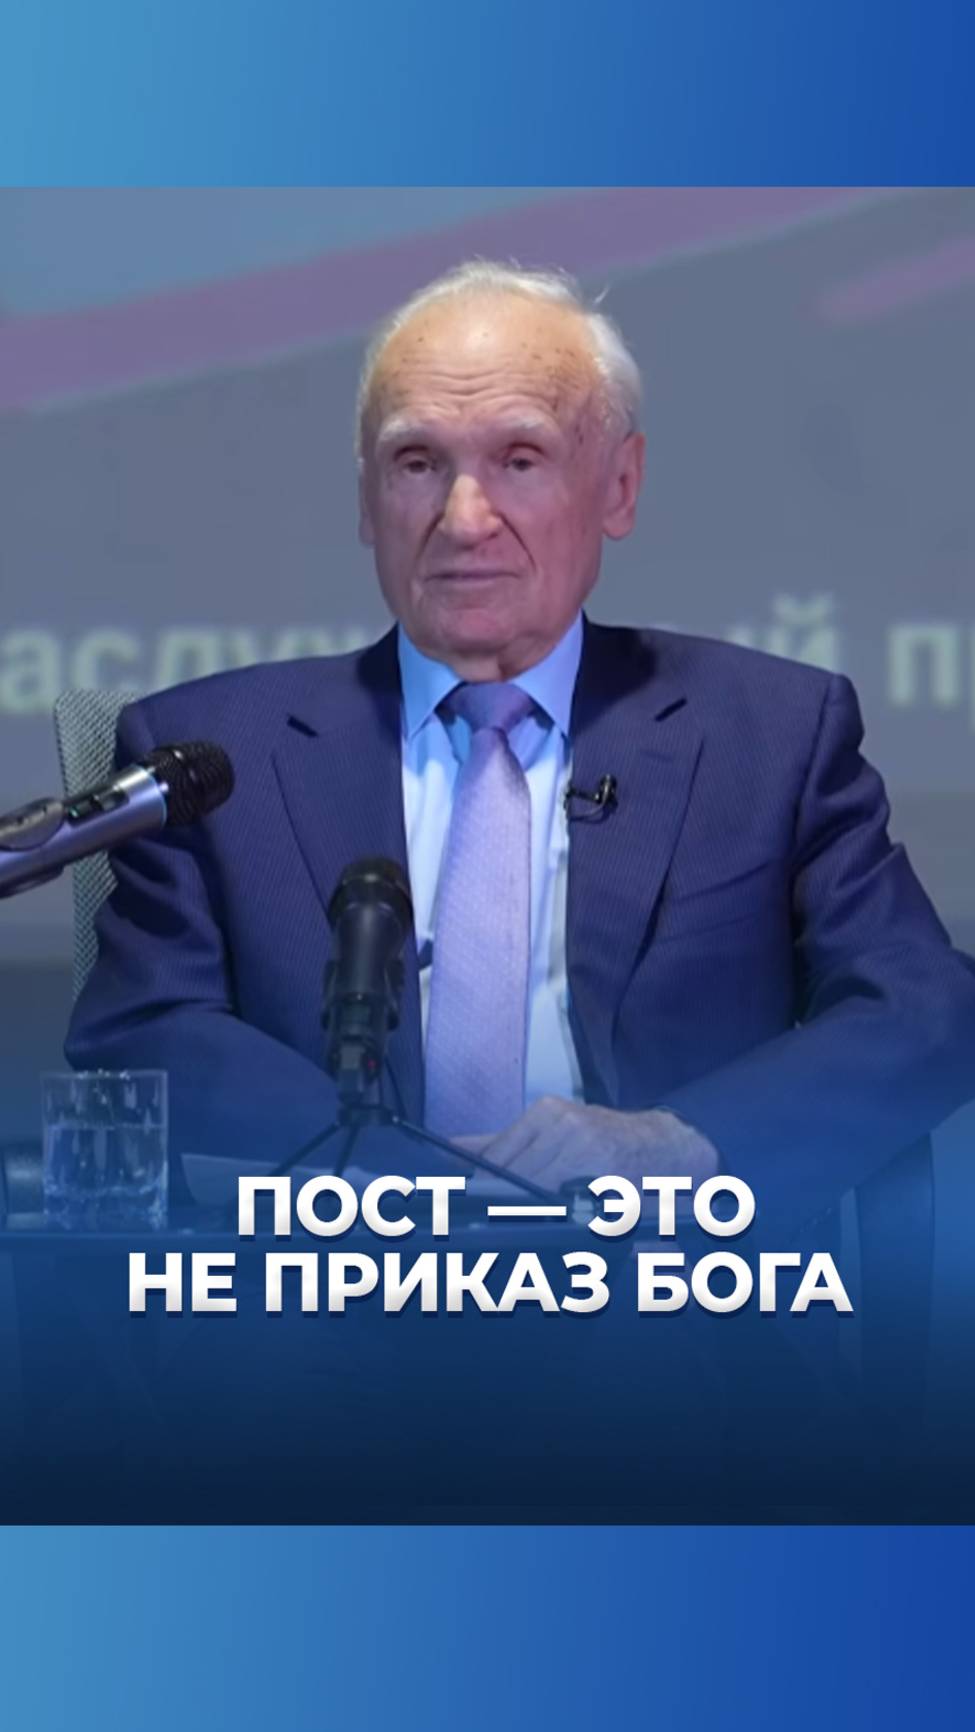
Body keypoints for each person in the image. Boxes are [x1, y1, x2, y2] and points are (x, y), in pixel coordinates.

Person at [66, 261, 975, 1232]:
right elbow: (142, 1030)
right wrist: (403, 1179)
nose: (464, 519)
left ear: (617, 485)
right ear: (368, 499)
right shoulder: (211, 757)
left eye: (520, 459)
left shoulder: (768, 734)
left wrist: (678, 1143)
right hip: (336, 1277)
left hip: (659, 1285)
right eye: (418, 463)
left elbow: (923, 1008)